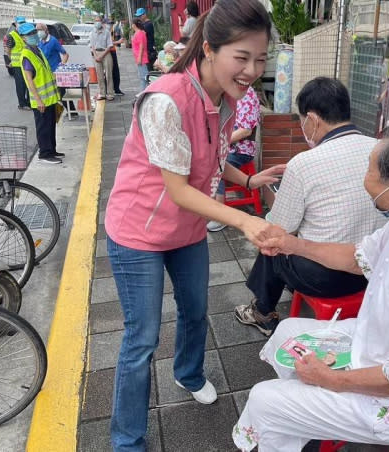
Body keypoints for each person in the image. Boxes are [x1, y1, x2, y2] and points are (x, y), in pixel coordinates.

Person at [232, 114, 389, 452]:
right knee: (286, 333)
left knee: (265, 399)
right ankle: (305, 419)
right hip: (379, 345)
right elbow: (358, 257)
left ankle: (298, 413)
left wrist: (332, 380)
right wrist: (293, 245)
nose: (364, 178)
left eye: (370, 170)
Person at [102, 1, 280, 449]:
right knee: (141, 339)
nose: (252, 70)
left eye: (260, 59)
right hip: (138, 234)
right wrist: (245, 221)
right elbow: (179, 188)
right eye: (241, 57)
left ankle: (188, 373)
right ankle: (127, 441)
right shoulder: (165, 99)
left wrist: (246, 178)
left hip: (186, 231)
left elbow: (210, 160)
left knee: (197, 312)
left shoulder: (225, 99)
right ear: (208, 49)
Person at [233, 77, 386, 336]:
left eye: (302, 119)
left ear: (312, 119)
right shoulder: (383, 150)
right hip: (377, 267)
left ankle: (262, 312)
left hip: (328, 278)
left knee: (274, 245)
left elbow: (279, 226)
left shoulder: (304, 163)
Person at [206, 84, 262, 232]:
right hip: (227, 146)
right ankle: (209, 206)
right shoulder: (229, 91)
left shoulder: (246, 94)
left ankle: (220, 215)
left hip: (240, 149)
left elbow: (245, 131)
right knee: (205, 159)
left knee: (215, 164)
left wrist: (219, 142)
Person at [17, 22, 64, 164]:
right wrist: (38, 100)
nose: (33, 35)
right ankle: (45, 153)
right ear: (23, 38)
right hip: (41, 100)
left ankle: (52, 150)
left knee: (50, 125)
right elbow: (29, 80)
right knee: (43, 127)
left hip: (49, 98)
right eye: (29, 34)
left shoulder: (37, 50)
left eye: (33, 33)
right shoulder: (26, 55)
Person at [5, 16, 30, 110]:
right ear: (15, 24)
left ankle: (28, 102)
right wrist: (11, 59)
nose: (21, 24)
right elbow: (8, 49)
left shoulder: (25, 34)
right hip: (18, 65)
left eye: (23, 22)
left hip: (26, 63)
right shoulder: (12, 35)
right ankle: (22, 104)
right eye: (20, 23)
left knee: (28, 84)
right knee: (21, 85)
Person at [89, 20, 116, 100]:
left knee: (108, 74)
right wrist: (96, 56)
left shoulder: (106, 32)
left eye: (98, 21)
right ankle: (102, 93)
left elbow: (109, 46)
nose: (97, 23)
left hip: (106, 53)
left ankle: (110, 93)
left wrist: (102, 55)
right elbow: (92, 46)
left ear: (101, 23)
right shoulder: (92, 33)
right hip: (96, 53)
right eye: (96, 21)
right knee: (99, 75)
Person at [130, 19, 150, 91]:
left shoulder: (139, 33)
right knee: (143, 77)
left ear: (134, 25)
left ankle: (144, 93)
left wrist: (139, 58)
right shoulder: (140, 33)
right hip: (140, 58)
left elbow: (141, 46)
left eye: (132, 24)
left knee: (144, 77)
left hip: (142, 58)